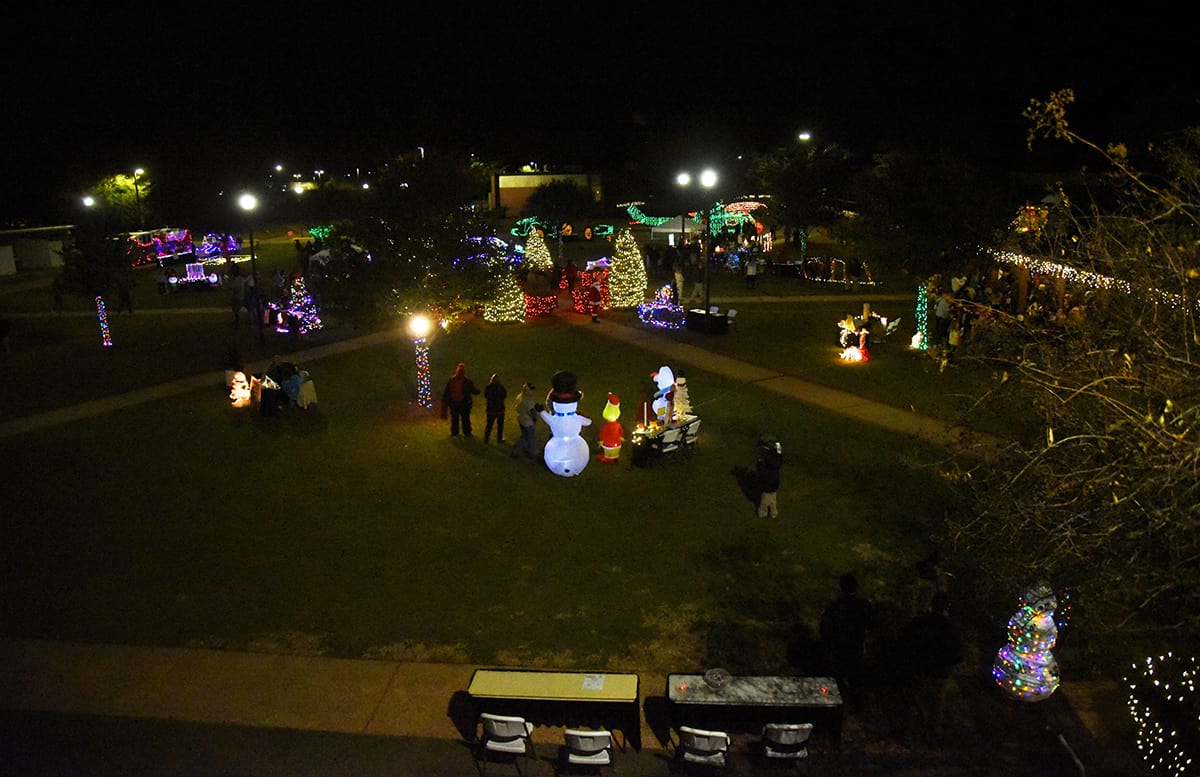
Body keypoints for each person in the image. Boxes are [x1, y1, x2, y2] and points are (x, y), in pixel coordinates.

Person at [898, 592, 964, 742]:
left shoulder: (919, 622)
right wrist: (951, 663)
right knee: (936, 707)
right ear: (946, 607)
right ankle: (932, 736)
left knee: (914, 704)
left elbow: (905, 643)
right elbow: (957, 651)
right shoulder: (949, 626)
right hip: (939, 671)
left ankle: (909, 735)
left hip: (919, 669)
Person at [820, 572, 874, 712]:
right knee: (855, 683)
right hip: (855, 650)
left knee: (835, 684)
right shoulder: (863, 605)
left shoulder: (834, 607)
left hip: (838, 651)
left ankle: (834, 711)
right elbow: (871, 625)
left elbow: (825, 630)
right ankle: (857, 711)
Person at [441, 362, 480, 437]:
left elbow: (447, 392)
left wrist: (446, 402)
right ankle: (467, 432)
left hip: (454, 403)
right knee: (465, 418)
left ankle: (455, 432)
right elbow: (473, 390)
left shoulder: (451, 380)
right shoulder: (467, 381)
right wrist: (478, 392)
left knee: (455, 419)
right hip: (464, 403)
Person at [510, 382, 542, 460]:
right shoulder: (528, 401)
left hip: (521, 420)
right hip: (528, 422)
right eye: (531, 390)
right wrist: (538, 413)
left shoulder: (520, 396)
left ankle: (517, 450)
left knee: (524, 436)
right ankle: (532, 453)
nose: (533, 392)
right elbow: (532, 413)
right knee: (531, 437)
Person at [755, 433, 783, 518]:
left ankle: (764, 513)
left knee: (766, 499)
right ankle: (772, 513)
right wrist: (778, 446)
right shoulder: (771, 453)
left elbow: (761, 468)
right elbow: (779, 457)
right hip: (772, 479)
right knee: (771, 499)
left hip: (768, 480)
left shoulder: (765, 454)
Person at [483, 373, 508, 444]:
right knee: (496, 425)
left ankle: (487, 439)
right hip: (498, 410)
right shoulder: (500, 388)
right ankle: (497, 438)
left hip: (492, 410)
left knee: (490, 425)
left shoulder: (489, 388)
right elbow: (504, 395)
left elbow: (486, 395)